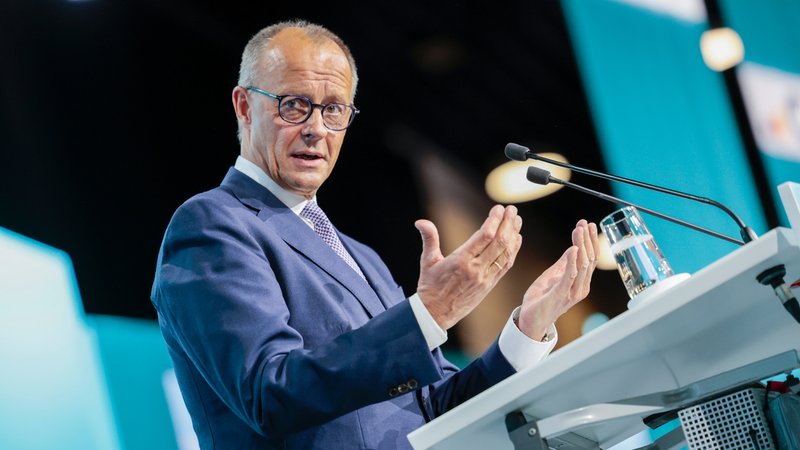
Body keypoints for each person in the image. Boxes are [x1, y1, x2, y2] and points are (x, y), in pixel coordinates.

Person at [151, 20, 599, 450]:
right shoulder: (213, 225)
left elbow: (435, 408)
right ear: (245, 107)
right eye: (293, 104)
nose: (316, 128)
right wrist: (428, 314)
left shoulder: (361, 257)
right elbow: (270, 394)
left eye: (334, 110)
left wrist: (527, 328)